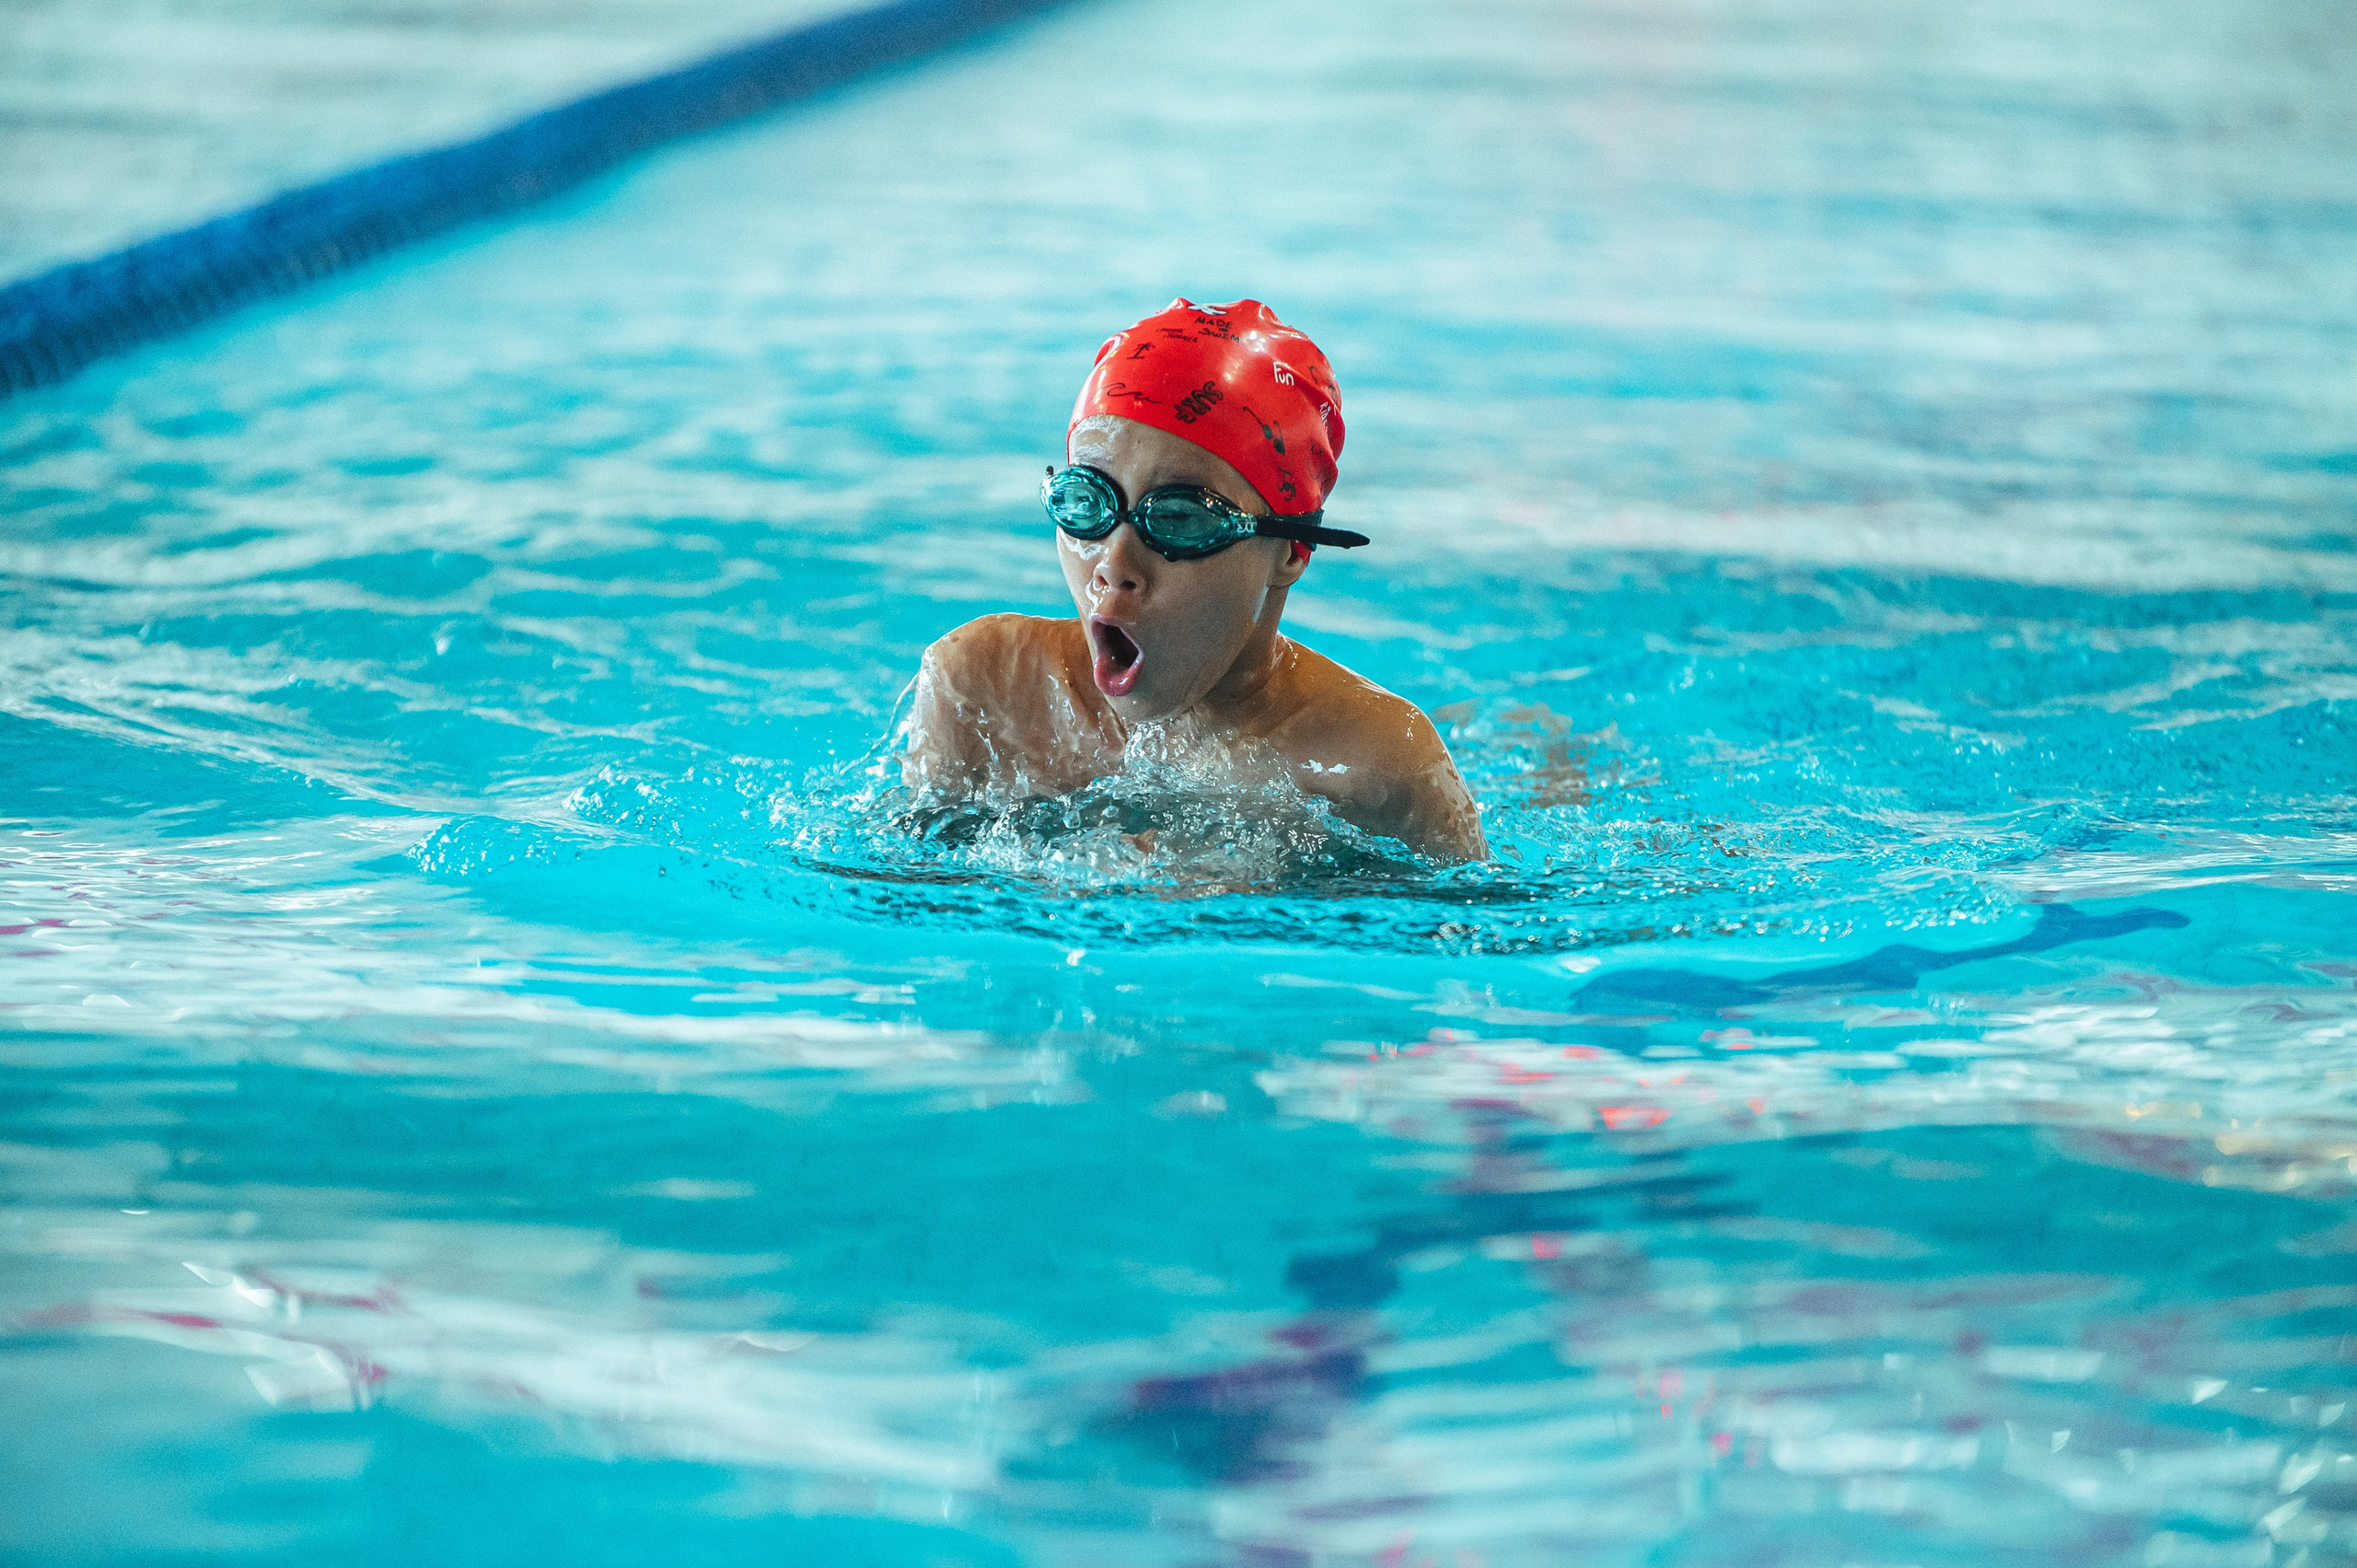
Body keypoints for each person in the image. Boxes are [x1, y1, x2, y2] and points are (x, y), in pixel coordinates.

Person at [901, 298, 1486, 863]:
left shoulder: (1377, 765)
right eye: (1087, 504)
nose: (1113, 565)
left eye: (1179, 518)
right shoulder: (984, 690)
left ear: (1288, 551)